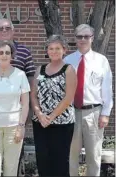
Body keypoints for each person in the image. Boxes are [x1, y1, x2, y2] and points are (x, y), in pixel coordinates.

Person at [0, 18, 36, 176]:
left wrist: (23, 122)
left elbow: (29, 85)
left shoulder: (23, 60)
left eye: (7, 28)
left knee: (13, 163)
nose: (4, 31)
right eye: (0, 28)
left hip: (15, 122)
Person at [65, 24, 113, 176]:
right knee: (71, 154)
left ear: (92, 38)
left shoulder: (101, 61)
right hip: (71, 113)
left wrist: (105, 113)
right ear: (75, 39)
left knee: (93, 155)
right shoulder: (67, 60)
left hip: (94, 113)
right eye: (80, 36)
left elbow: (107, 88)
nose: (83, 39)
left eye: (86, 36)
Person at [30, 35, 77, 176]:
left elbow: (69, 97)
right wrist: (39, 114)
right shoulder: (40, 69)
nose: (54, 51)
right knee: (43, 159)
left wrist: (51, 117)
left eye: (58, 48)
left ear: (64, 50)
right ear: (47, 50)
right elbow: (33, 94)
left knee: (60, 161)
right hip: (40, 123)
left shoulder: (69, 70)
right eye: (51, 48)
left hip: (62, 124)